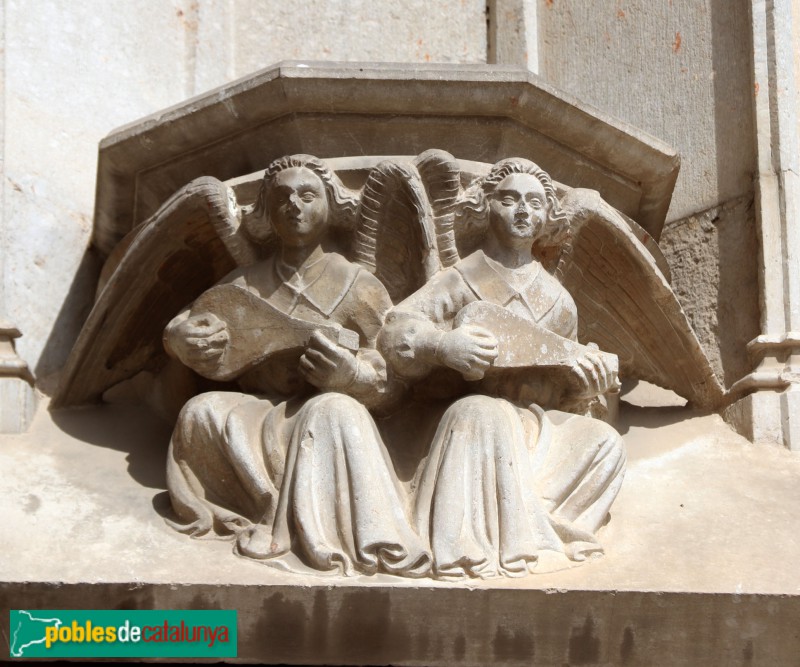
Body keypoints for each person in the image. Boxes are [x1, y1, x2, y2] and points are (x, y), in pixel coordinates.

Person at [165, 154, 430, 577]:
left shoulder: (357, 284)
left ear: (331, 205)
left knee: (332, 410)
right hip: (261, 411)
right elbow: (194, 318)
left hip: (329, 411)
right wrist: (180, 338)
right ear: (266, 211)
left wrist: (353, 376)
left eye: (308, 194)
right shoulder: (246, 281)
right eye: (282, 196)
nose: (295, 205)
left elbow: (395, 375)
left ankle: (360, 539)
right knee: (200, 412)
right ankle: (253, 509)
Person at [380, 158, 626, 579]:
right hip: (470, 417)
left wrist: (587, 390)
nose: (523, 210)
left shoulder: (558, 300)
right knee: (484, 413)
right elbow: (392, 331)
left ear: (548, 216)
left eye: (534, 202)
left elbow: (565, 384)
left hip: (535, 426)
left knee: (605, 442)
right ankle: (470, 545)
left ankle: (539, 528)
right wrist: (442, 344)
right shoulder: (460, 279)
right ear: (486, 207)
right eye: (509, 199)